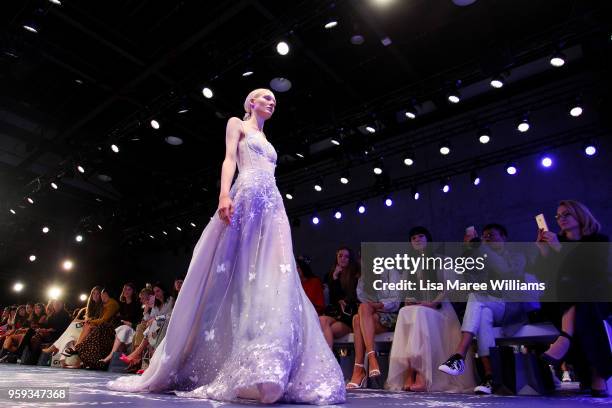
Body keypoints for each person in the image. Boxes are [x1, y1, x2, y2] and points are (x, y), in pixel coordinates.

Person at [108, 88, 345, 404]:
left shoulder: (270, 142)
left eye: (274, 98)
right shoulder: (238, 124)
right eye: (264, 96)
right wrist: (224, 194)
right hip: (246, 197)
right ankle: (247, 367)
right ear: (250, 103)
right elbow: (229, 158)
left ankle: (271, 366)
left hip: (273, 205)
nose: (271, 100)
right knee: (239, 275)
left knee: (277, 275)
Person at [534, 200, 611, 397]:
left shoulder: (598, 241)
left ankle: (566, 337)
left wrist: (560, 250)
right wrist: (543, 254)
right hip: (560, 302)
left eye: (566, 214)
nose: (561, 219)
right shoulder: (555, 242)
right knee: (576, 292)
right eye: (558, 216)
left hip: (598, 296)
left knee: (585, 295)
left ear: (580, 215)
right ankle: (597, 375)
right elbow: (546, 280)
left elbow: (595, 274)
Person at [386, 226, 476, 393]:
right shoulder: (410, 267)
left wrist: (433, 303)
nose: (418, 240)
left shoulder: (441, 260)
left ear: (428, 240)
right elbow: (405, 292)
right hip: (421, 309)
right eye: (414, 238)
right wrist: (409, 301)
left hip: (440, 310)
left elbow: (451, 287)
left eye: (421, 236)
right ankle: (409, 371)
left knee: (420, 313)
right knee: (405, 312)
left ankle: (421, 374)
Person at [319, 247, 360, 347]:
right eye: (340, 256)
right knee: (321, 320)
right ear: (336, 257)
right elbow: (333, 298)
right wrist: (335, 277)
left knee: (328, 331)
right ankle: (328, 360)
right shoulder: (330, 275)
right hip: (335, 313)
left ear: (350, 259)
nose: (343, 259)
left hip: (348, 316)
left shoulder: (355, 274)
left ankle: (328, 359)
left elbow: (354, 296)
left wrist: (343, 300)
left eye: (346, 256)